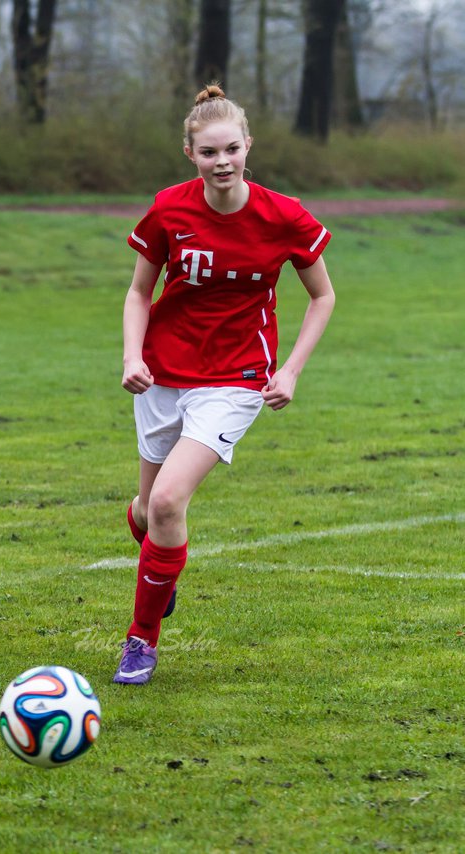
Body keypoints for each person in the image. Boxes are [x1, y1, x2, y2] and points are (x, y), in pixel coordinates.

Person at [113, 84, 337, 685]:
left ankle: (142, 640)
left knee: (167, 502)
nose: (222, 162)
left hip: (238, 378)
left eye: (231, 150)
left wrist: (289, 369)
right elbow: (139, 291)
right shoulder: (168, 209)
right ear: (190, 153)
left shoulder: (283, 215)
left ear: (247, 147)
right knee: (144, 511)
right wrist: (132, 355)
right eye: (208, 152)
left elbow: (323, 296)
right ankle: (159, 569)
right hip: (163, 374)